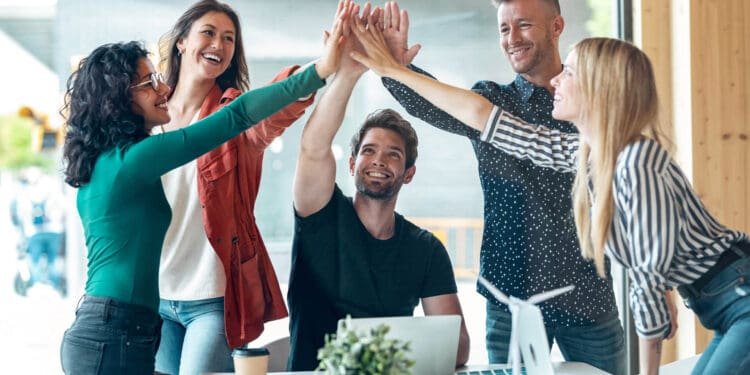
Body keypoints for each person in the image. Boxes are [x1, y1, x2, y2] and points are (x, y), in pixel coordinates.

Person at [351, 26, 750, 375]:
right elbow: (488, 120)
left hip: (739, 299)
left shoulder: (635, 159)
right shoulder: (590, 153)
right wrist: (393, 70)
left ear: (599, 87)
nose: (558, 81)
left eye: (570, 74)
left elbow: (647, 282)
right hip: (722, 305)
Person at [58, 14, 343, 372]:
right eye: (148, 83)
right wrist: (322, 68)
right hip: (116, 330)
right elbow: (236, 117)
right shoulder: (133, 161)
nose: (162, 89)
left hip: (118, 326)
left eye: (157, 78)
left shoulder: (107, 159)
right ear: (118, 97)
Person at [370, 1, 624, 373]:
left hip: (588, 298)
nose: (512, 39)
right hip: (510, 300)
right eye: (504, 29)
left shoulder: (585, 107)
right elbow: (435, 104)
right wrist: (396, 70)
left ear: (557, 27)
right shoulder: (490, 100)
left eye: (523, 25)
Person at [287, 2, 469, 371]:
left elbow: (457, 351)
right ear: (352, 164)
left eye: (393, 155)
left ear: (409, 173)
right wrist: (350, 73)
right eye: (368, 151)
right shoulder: (320, 215)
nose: (379, 161)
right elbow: (313, 147)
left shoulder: (426, 249)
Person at [153, 1, 317, 373]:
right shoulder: (147, 117)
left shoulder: (233, 115)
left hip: (212, 299)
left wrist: (325, 66)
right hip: (154, 295)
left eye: (229, 38)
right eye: (208, 33)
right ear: (181, 42)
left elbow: (279, 105)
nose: (219, 44)